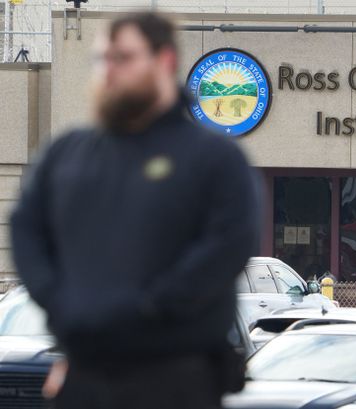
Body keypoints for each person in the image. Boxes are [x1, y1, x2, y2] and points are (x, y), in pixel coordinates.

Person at [10, 12, 262, 409]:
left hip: (175, 381)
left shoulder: (214, 158)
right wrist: (59, 301)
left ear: (164, 60)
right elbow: (26, 229)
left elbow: (228, 244)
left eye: (122, 58)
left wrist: (147, 307)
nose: (108, 70)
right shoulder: (67, 153)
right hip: (85, 374)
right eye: (102, 59)